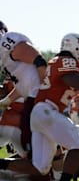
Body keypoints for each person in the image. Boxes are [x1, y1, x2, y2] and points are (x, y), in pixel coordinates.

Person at [0, 32, 79, 181]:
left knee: (40, 167)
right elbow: (77, 82)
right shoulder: (67, 61)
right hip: (48, 111)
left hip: (39, 114)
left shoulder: (57, 60)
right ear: (78, 47)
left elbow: (75, 80)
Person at [0, 20, 47, 158]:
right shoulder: (5, 56)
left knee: (31, 144)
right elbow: (22, 85)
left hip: (37, 97)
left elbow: (39, 61)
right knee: (32, 146)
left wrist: (45, 91)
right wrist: (5, 101)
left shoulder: (6, 42)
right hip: (33, 96)